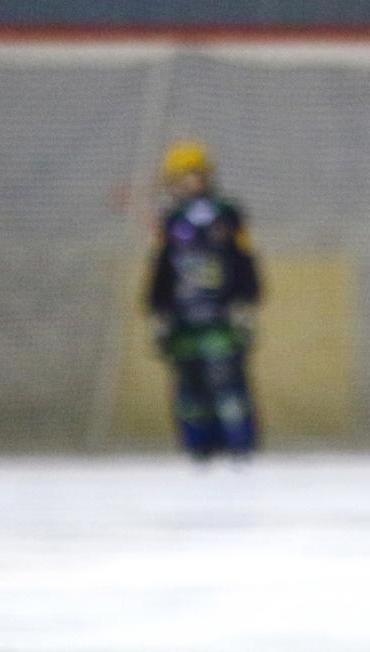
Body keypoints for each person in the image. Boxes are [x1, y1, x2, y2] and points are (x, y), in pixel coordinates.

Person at [144, 140, 262, 461]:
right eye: (179, 177)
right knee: (189, 384)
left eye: (191, 175)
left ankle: (240, 446)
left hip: (222, 312)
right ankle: (199, 448)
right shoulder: (170, 219)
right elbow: (161, 268)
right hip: (184, 316)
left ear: (205, 175)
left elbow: (244, 260)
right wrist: (158, 311)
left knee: (228, 381)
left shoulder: (228, 214)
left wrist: (247, 302)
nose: (186, 183)